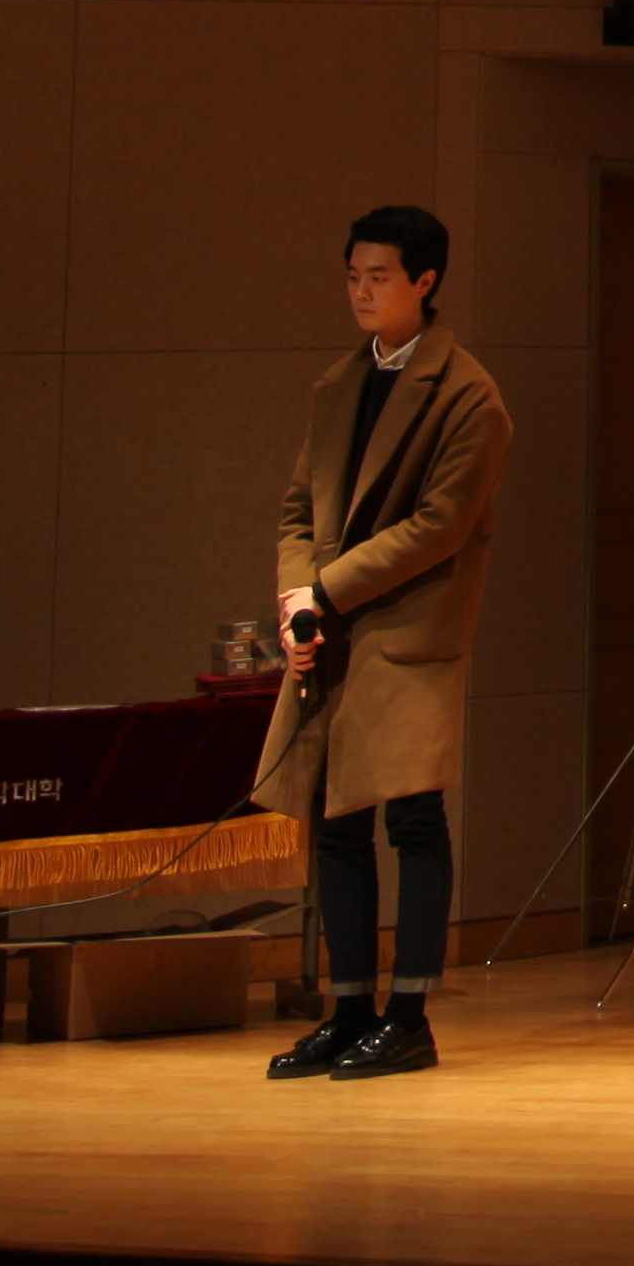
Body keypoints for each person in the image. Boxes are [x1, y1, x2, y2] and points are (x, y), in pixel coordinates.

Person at [256, 202, 513, 1083]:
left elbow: (440, 526)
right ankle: (349, 1010)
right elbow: (298, 510)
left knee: (411, 815)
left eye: (379, 277)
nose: (362, 292)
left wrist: (325, 590)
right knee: (335, 821)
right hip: (334, 623)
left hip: (408, 627)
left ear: (424, 282)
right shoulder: (339, 382)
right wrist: (299, 600)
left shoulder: (469, 394)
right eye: (353, 276)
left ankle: (408, 1016)